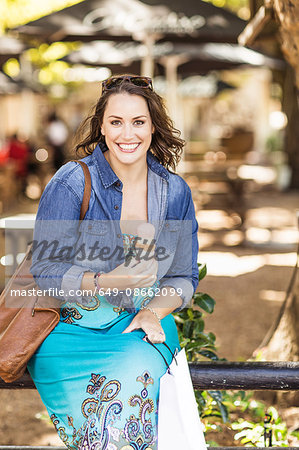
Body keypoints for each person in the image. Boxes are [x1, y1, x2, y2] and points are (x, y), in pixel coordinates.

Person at [28, 75, 199, 449]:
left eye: (138, 122)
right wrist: (107, 282)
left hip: (140, 326)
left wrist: (154, 311)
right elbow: (46, 271)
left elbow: (185, 276)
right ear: (102, 127)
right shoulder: (71, 182)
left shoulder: (174, 193)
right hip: (67, 331)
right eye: (116, 122)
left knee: (133, 378)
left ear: (153, 126)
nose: (128, 134)